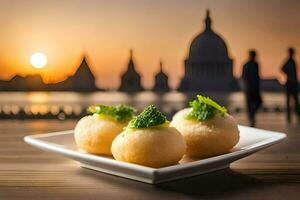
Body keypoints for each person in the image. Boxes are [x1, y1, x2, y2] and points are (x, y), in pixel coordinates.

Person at [242, 50, 262, 127]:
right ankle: (252, 116)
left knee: (252, 103)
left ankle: (252, 115)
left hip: (249, 87)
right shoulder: (254, 64)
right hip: (252, 87)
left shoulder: (247, 65)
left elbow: (243, 77)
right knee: (255, 103)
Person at [281, 47, 300, 123]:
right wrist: (288, 75)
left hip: (293, 82)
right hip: (290, 83)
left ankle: (297, 114)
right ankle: (290, 115)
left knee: (294, 100)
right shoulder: (289, 61)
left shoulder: (292, 61)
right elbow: (282, 68)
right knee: (291, 100)